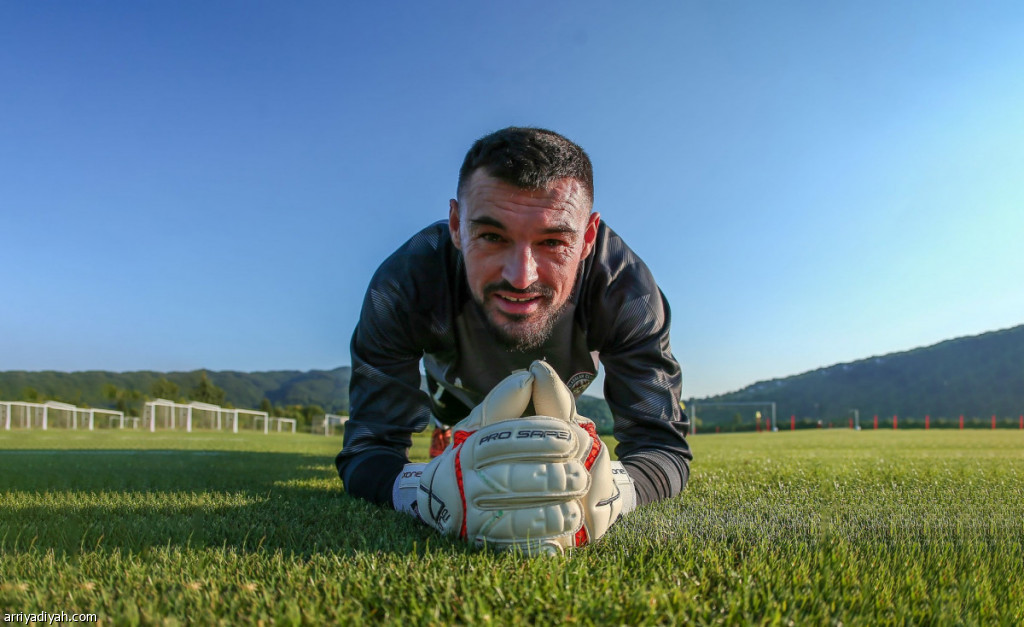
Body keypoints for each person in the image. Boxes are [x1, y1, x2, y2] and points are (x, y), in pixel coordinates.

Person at [336, 127, 691, 549]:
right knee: (450, 423)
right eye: (491, 236)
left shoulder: (626, 291)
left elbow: (661, 446)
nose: (521, 277)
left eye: (553, 241)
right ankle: (448, 432)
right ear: (456, 226)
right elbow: (369, 447)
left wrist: (612, 492)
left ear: (587, 238)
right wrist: (421, 492)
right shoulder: (405, 284)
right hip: (455, 397)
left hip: (555, 402)